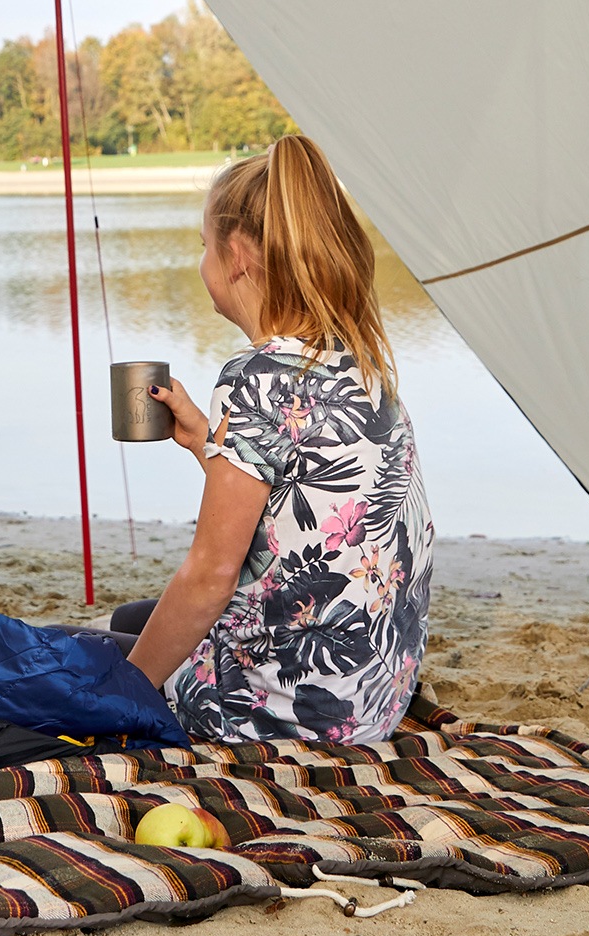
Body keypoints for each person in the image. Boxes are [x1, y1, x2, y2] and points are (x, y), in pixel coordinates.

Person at [115, 134, 433, 744]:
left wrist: (119, 695)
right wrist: (206, 445)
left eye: (203, 247)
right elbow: (299, 509)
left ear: (236, 256)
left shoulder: (255, 380)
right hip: (374, 695)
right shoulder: (358, 363)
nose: (201, 261)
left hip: (290, 718)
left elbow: (210, 576)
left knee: (99, 651)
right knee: (138, 619)